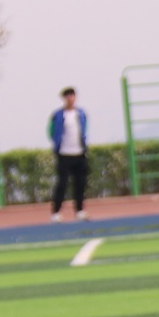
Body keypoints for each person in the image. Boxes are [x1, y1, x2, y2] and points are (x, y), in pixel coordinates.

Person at [48, 87, 89, 222]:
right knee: (62, 184)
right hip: (64, 154)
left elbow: (84, 129)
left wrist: (83, 145)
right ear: (64, 98)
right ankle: (56, 212)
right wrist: (57, 144)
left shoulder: (81, 113)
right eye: (68, 96)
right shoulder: (58, 115)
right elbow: (51, 131)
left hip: (79, 153)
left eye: (72, 96)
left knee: (80, 183)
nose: (70, 98)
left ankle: (79, 210)